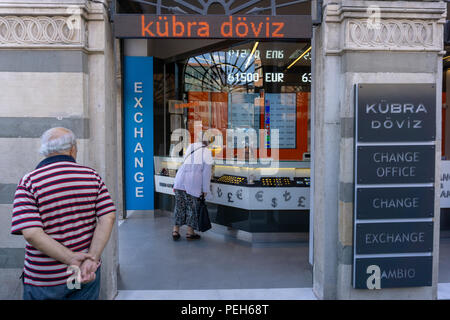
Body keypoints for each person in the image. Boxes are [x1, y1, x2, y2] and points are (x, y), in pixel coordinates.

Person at [10, 127, 116, 300]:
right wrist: (92, 258)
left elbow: (31, 233)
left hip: (44, 280)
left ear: (45, 151)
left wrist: (70, 258)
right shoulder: (91, 176)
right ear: (73, 149)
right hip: (83, 272)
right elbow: (108, 216)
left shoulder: (30, 182)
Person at [172, 139, 213, 240]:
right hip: (192, 182)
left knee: (179, 206)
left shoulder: (190, 148)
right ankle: (190, 232)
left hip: (179, 180)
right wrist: (205, 189)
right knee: (192, 207)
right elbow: (206, 173)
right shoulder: (207, 152)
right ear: (208, 143)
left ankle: (175, 231)